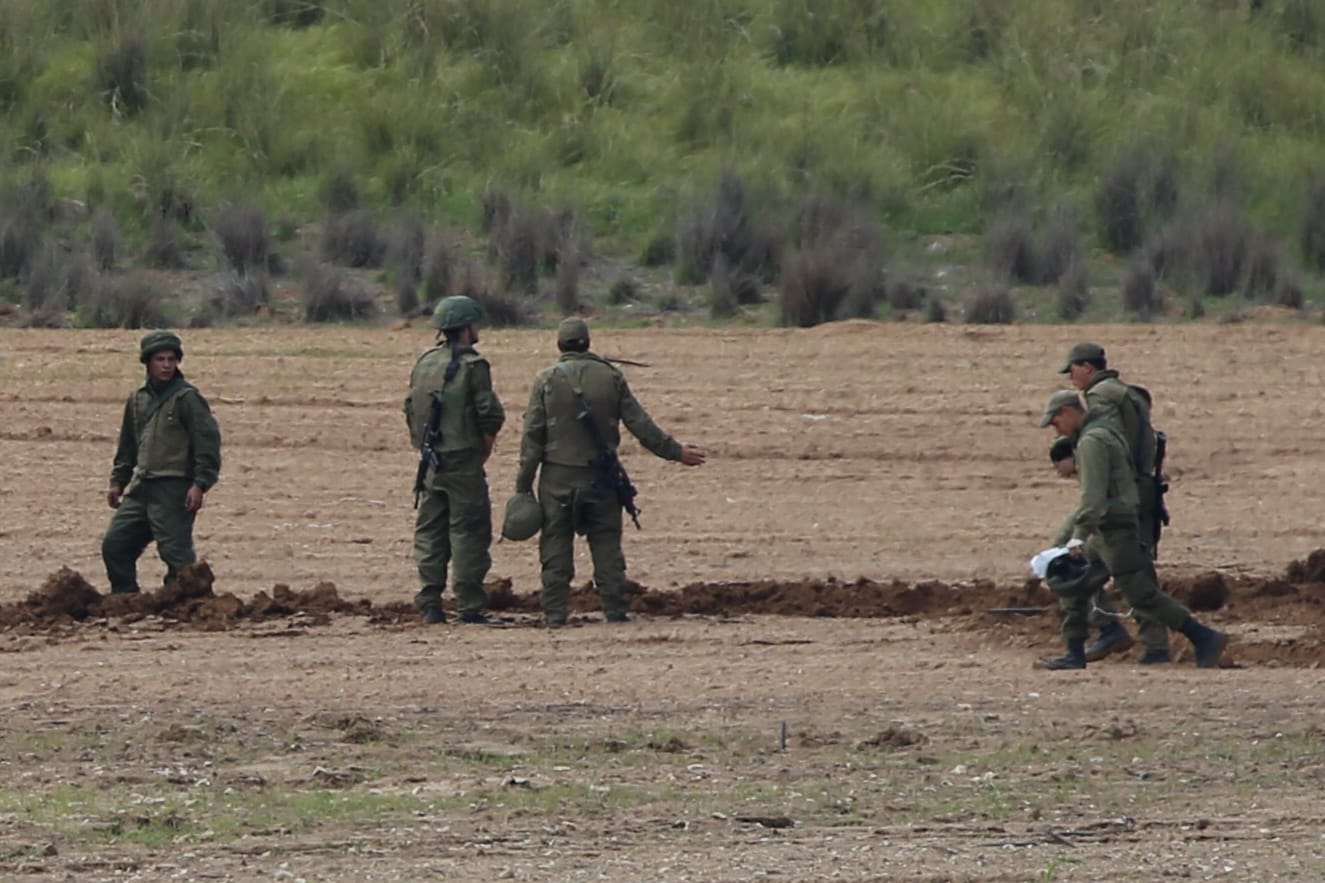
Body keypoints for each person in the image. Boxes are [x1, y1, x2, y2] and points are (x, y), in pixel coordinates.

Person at [515, 318, 706, 626]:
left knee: (555, 547)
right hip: (600, 479)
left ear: (559, 345)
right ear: (588, 343)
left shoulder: (546, 380)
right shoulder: (611, 377)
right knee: (606, 547)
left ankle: (554, 614)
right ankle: (615, 611)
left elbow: (532, 439)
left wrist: (523, 486)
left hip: (557, 481)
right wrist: (675, 452)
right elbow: (640, 425)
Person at [1035, 390, 1226, 670]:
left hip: (1115, 530)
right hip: (1105, 530)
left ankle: (1204, 637)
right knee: (1073, 583)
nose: (1056, 429)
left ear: (1067, 412)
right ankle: (1074, 652)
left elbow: (1094, 495)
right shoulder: (1101, 433)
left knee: (1142, 594)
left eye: (1055, 422)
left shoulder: (1092, 442)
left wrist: (1077, 536)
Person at [1058, 341, 1171, 664]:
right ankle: (1155, 645)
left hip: (1117, 495)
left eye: (1073, 371)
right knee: (1135, 572)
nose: (1072, 379)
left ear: (1087, 368)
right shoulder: (1127, 393)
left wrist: (1081, 463)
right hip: (1140, 488)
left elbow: (1108, 443)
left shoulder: (1101, 398)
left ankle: (1108, 627)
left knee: (1067, 558)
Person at [405, 295, 504, 624]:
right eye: (475, 324)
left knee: (431, 529)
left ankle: (430, 602)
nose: (478, 330)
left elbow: (410, 408)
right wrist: (484, 448)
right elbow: (489, 413)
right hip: (462, 458)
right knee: (469, 530)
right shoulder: (474, 366)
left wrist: (422, 446)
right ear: (464, 328)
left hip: (431, 459)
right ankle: (469, 605)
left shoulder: (425, 363)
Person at [102, 330, 222, 594]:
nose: (167, 365)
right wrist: (117, 481)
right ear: (147, 362)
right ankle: (125, 600)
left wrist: (200, 484)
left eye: (171, 359)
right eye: (160, 359)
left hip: (174, 488)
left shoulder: (187, 398)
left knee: (176, 555)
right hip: (141, 487)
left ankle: (189, 604)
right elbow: (128, 446)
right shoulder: (138, 399)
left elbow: (207, 444)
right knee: (115, 545)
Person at [1048, 436, 1170, 664]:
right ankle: (1151, 644)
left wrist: (1074, 539)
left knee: (1130, 582)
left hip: (1120, 524)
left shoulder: (1094, 453)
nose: (1059, 473)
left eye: (1058, 465)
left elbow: (1092, 504)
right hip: (1120, 520)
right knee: (1132, 582)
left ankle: (1119, 634)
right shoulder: (1105, 446)